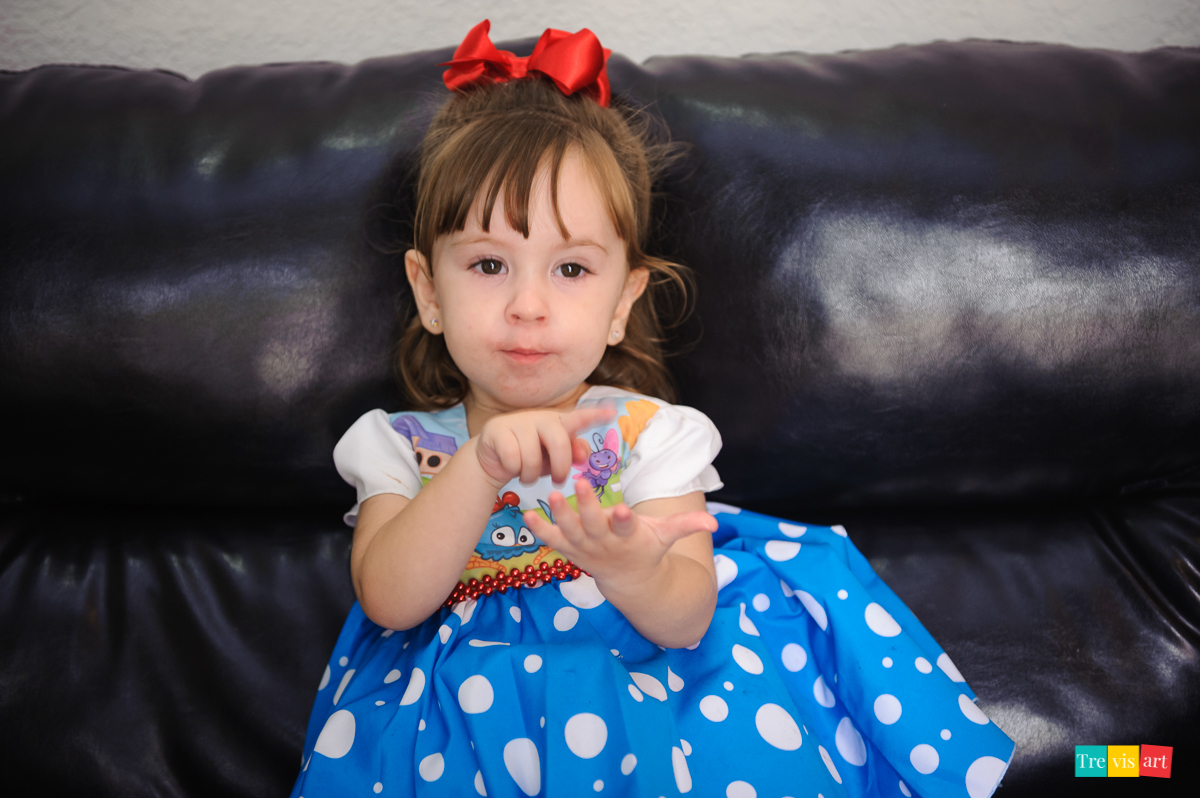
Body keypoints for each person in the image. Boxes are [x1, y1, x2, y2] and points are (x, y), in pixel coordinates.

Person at [292, 20, 1015, 798]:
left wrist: (631, 567)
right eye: (490, 264)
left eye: (570, 268)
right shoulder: (397, 446)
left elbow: (686, 620)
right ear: (428, 290)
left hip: (635, 724)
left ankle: (1137, 761)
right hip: (452, 739)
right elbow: (392, 603)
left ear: (621, 302)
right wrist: (480, 465)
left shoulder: (647, 439)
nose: (528, 305)